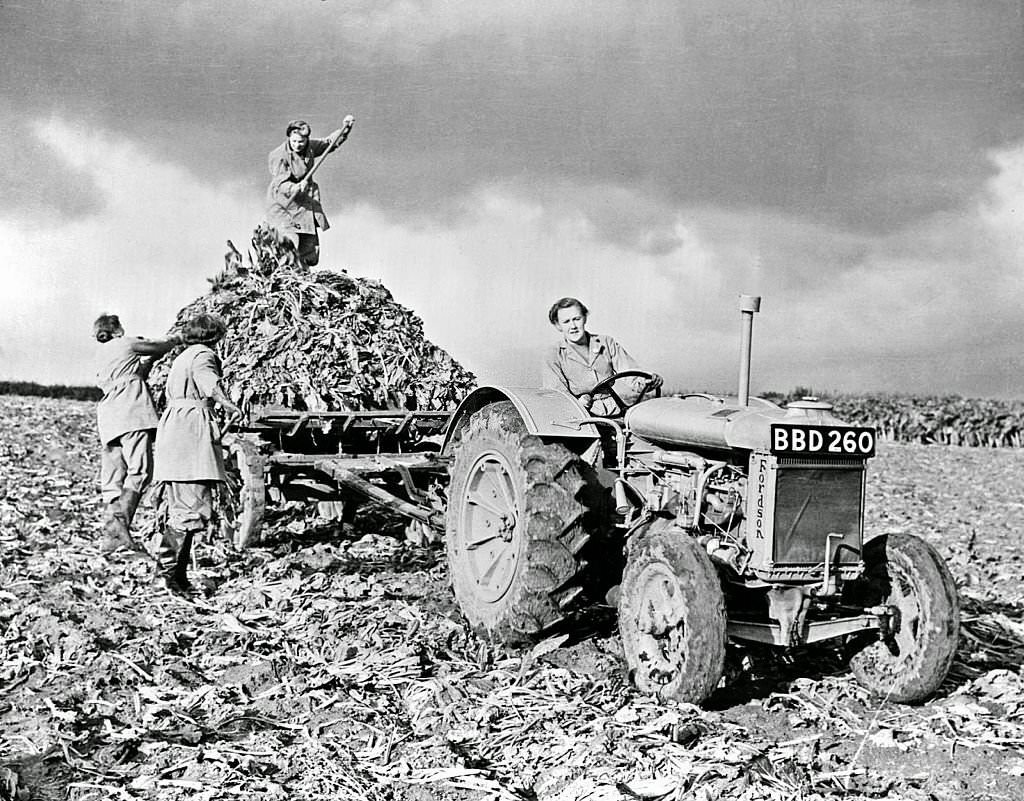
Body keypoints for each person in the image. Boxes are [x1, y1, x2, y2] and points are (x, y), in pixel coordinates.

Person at [152, 313, 241, 595]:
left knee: (183, 507)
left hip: (176, 427)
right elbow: (210, 384)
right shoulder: (203, 355)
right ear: (214, 336)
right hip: (190, 430)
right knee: (191, 509)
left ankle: (174, 577)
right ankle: (169, 578)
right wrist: (228, 405)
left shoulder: (183, 356)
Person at [93, 314, 183, 552]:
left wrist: (150, 362)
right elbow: (159, 345)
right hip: (131, 411)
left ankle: (111, 535)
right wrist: (178, 337)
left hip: (109, 416)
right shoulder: (127, 343)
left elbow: (132, 374)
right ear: (118, 329)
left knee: (113, 476)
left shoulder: (100, 354)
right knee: (141, 471)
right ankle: (118, 530)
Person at [542, 297, 663, 417]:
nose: (573, 326)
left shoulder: (606, 343)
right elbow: (557, 395)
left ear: (584, 318)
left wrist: (649, 382)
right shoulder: (554, 354)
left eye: (576, 319)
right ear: (558, 325)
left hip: (616, 410)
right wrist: (578, 403)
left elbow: (631, 375)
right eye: (566, 322)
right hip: (580, 415)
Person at [265, 118, 351, 267]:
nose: (298, 145)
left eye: (301, 142)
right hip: (284, 205)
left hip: (303, 206)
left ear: (307, 139)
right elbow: (279, 184)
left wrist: (345, 128)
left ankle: (302, 277)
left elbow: (329, 143)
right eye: (294, 141)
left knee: (308, 248)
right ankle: (282, 274)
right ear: (289, 138)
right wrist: (295, 187)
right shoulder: (279, 156)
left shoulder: (310, 147)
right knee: (289, 243)